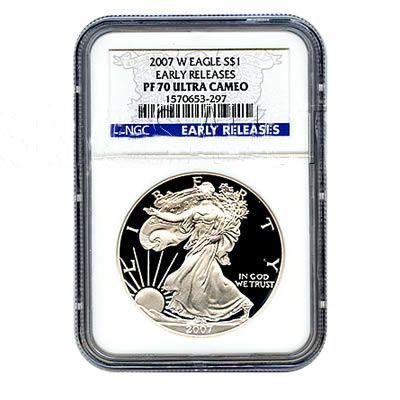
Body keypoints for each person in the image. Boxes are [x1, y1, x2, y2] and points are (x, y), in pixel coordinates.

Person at [140, 181, 253, 321]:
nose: (199, 192)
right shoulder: (196, 209)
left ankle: (201, 314)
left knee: (196, 277)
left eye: (201, 190)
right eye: (199, 190)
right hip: (197, 245)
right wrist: (157, 213)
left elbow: (229, 230)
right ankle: (242, 303)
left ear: (209, 193)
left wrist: (216, 237)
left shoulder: (218, 212)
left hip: (208, 246)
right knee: (214, 279)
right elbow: (176, 218)